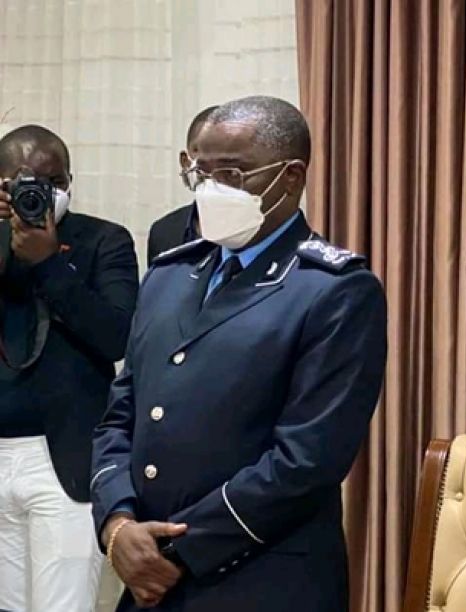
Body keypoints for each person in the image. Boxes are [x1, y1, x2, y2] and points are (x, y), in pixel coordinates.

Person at [91, 95, 387, 611]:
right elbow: (121, 416)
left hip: (262, 579)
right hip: (147, 579)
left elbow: (305, 461)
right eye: (199, 172)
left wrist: (175, 550)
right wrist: (117, 524)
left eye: (230, 173)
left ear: (290, 177)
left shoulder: (334, 289)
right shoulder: (167, 277)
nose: (209, 189)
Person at [0, 125, 139, 612]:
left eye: (55, 182)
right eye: (25, 183)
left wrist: (49, 264)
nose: (43, 193)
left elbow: (117, 336)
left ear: (70, 182)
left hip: (65, 459)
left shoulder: (104, 240)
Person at [146, 105, 218, 264]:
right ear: (185, 162)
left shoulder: (259, 228)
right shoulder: (164, 231)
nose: (217, 168)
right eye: (207, 153)